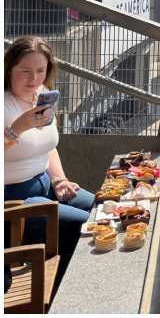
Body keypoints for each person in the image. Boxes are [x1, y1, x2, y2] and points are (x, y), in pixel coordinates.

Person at [4, 36, 94, 296]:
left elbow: (48, 146)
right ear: (9, 69)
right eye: (25, 71)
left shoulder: (42, 97)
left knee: (99, 209)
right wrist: (17, 128)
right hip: (14, 199)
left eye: (41, 71)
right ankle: (63, 297)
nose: (34, 79)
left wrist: (60, 180)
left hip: (45, 185)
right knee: (84, 225)